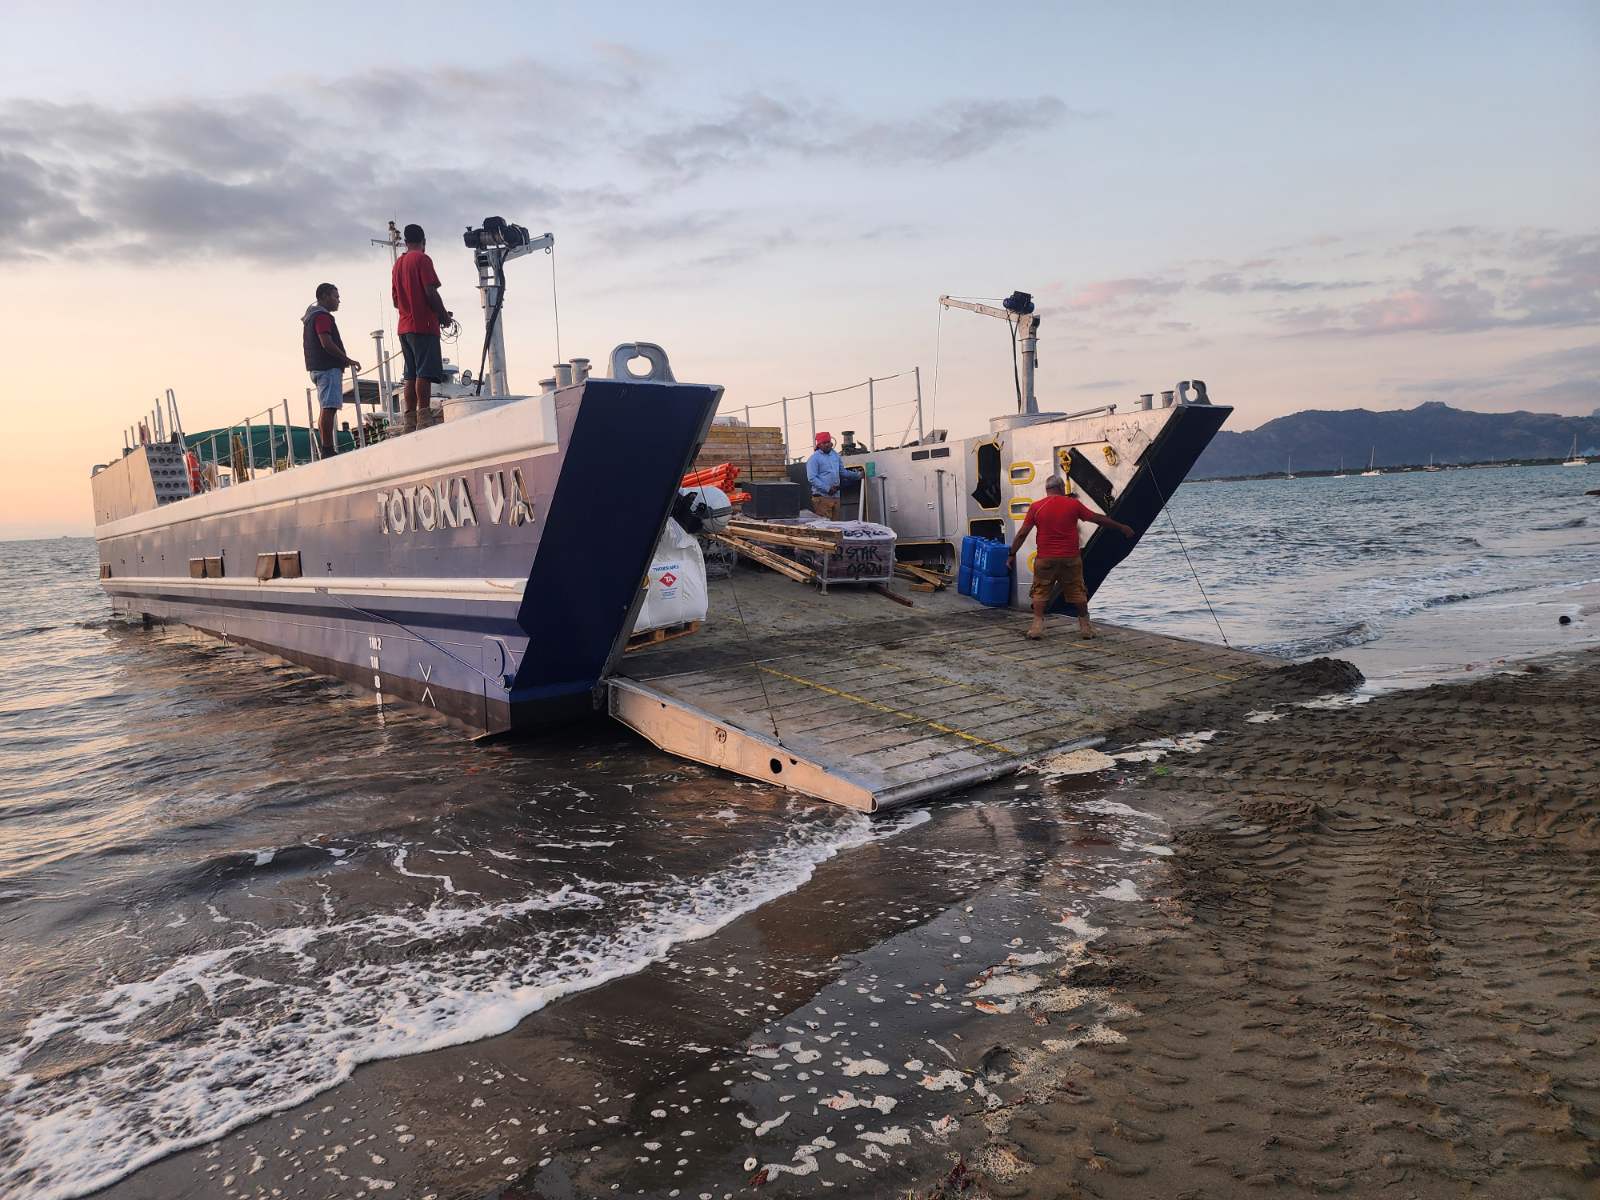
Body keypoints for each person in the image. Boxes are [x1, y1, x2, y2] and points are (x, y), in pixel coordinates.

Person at [1007, 475, 1134, 640]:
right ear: (1062, 488)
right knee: (1077, 591)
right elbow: (1097, 519)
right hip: (1070, 558)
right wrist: (1121, 527)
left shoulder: (1036, 507)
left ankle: (1037, 627)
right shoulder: (1073, 504)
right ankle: (1085, 628)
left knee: (1040, 591)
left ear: (1047, 490)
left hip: (1046, 558)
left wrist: (1011, 554)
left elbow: (1022, 533)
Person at [391, 223, 452, 434]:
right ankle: (424, 417)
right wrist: (443, 316)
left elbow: (396, 301)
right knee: (424, 373)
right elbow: (430, 291)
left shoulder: (398, 264)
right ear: (424, 242)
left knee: (410, 374)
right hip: (423, 326)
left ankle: (409, 421)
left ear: (405, 242)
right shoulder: (423, 259)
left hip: (404, 326)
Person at [302, 283, 360, 458]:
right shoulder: (322, 317)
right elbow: (326, 342)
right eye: (336, 297)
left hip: (317, 367)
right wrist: (346, 359)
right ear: (325, 296)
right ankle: (327, 449)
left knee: (326, 408)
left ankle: (326, 447)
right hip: (327, 368)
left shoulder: (311, 317)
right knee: (329, 407)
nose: (338, 301)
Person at [805, 431, 860, 520]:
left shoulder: (835, 456)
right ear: (819, 444)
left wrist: (858, 475)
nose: (827, 445)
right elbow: (812, 478)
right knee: (825, 527)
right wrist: (827, 489)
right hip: (822, 498)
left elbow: (842, 472)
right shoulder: (814, 459)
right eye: (824, 443)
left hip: (836, 497)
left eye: (828, 442)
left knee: (836, 526)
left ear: (831, 443)